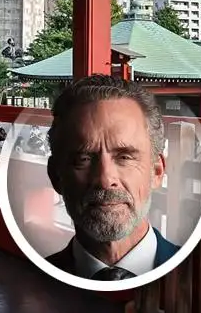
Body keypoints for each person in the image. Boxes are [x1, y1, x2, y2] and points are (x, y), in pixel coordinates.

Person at [44, 75, 179, 280]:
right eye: (83, 159)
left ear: (157, 171)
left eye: (124, 157)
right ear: (56, 176)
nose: (105, 179)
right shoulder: (29, 282)